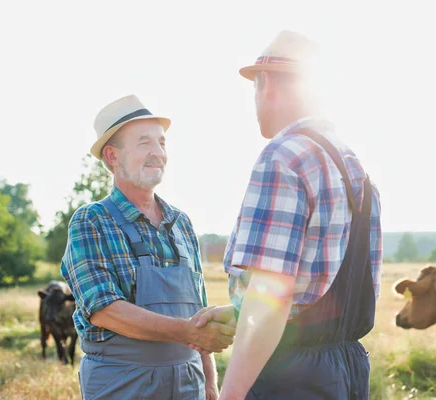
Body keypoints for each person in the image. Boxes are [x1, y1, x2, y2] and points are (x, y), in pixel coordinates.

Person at [206, 30, 383, 399]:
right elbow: (321, 288)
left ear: (266, 84)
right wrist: (240, 313)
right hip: (348, 366)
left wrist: (230, 394)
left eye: (254, 87)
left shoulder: (283, 158)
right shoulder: (354, 167)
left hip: (291, 374)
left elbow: (272, 296)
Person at [61, 94, 235, 400]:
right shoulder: (91, 221)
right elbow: (104, 310)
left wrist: (210, 385)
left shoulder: (181, 223)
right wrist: (187, 332)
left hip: (188, 385)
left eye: (162, 143)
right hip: (122, 386)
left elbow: (198, 311)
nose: (158, 153)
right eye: (144, 143)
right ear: (112, 156)